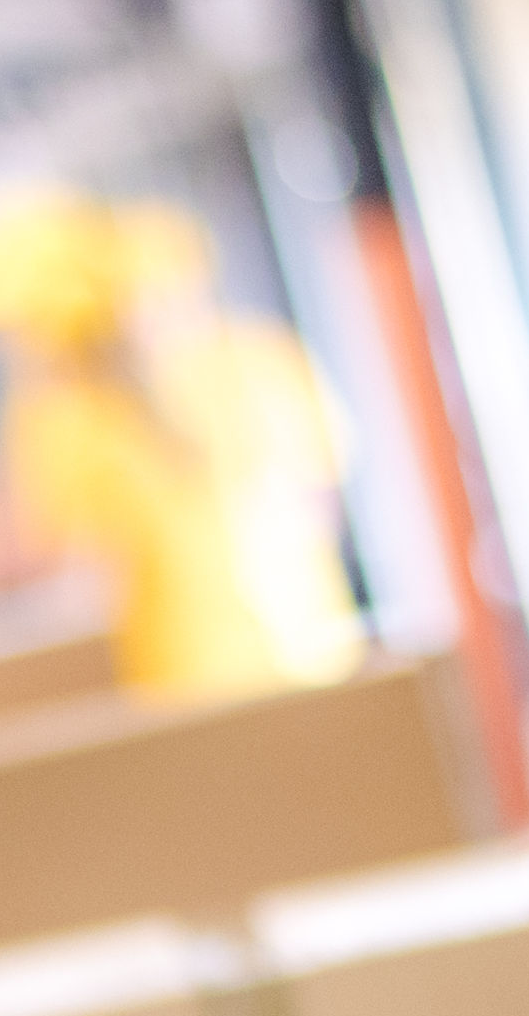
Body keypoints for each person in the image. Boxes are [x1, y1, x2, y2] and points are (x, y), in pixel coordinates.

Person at [0, 185, 352, 698]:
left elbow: (50, 563)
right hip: (312, 659)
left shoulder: (69, 420)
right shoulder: (260, 357)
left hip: (185, 688)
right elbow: (320, 502)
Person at [115, 199, 367, 692]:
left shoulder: (260, 361)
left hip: (294, 632)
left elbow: (319, 486)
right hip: (189, 658)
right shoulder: (112, 405)